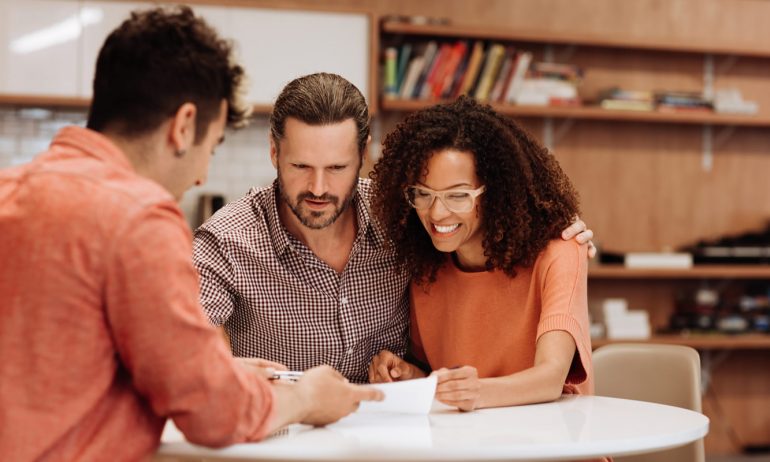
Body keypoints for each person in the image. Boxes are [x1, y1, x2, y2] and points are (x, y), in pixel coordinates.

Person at [0, 7, 380, 461]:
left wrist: (216, 367)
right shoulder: (138, 217)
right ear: (183, 126)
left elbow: (61, 357)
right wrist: (307, 399)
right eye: (213, 143)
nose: (202, 175)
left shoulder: (10, 189)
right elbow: (212, 411)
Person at [194, 73, 595, 384]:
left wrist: (554, 229)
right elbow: (195, 365)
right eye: (300, 167)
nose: (318, 188)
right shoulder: (226, 242)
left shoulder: (403, 213)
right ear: (274, 151)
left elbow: (468, 216)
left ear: (364, 154)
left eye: (336, 168)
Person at [367, 96, 594, 412]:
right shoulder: (426, 267)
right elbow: (448, 386)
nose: (437, 213)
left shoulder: (560, 252)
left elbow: (550, 378)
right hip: (471, 447)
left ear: (499, 191)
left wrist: (477, 392)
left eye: (458, 195)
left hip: (556, 447)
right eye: (423, 194)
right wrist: (409, 377)